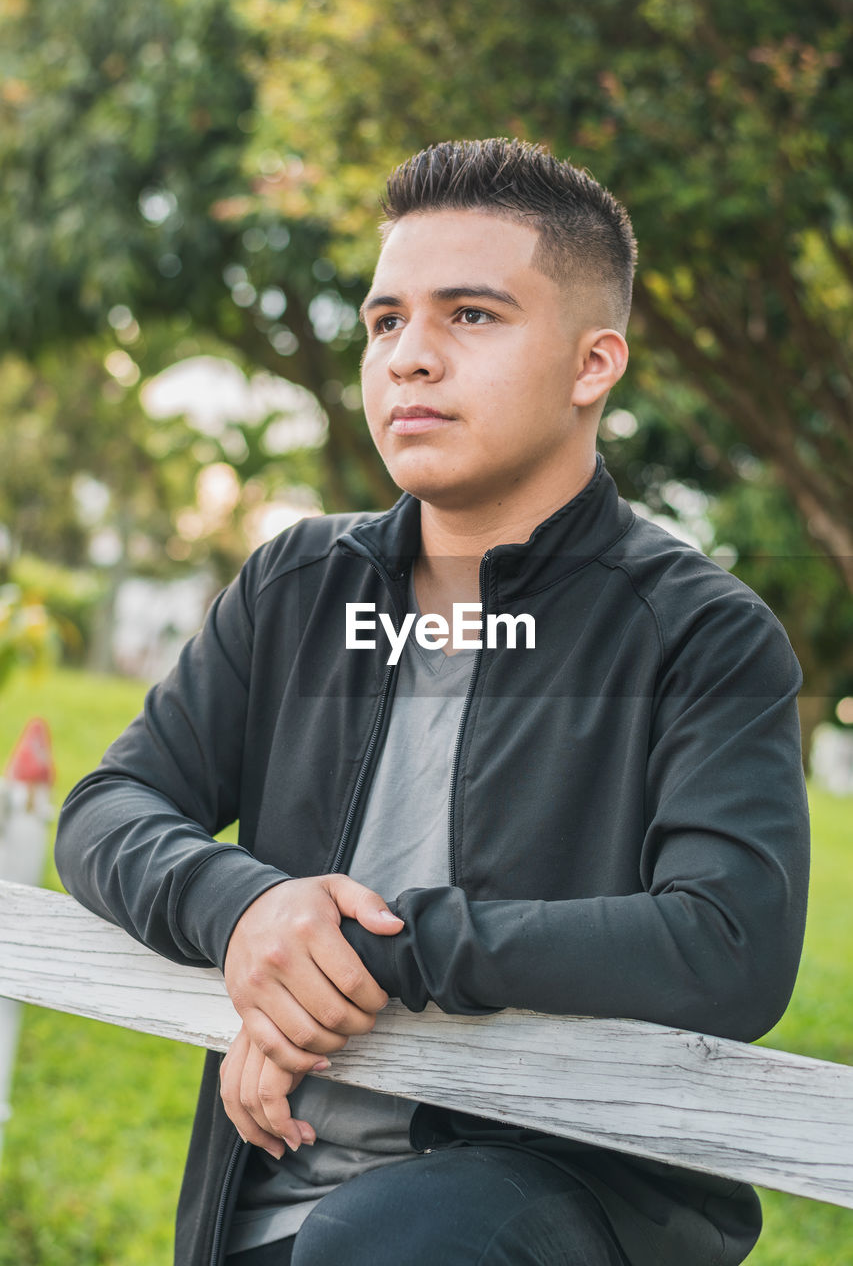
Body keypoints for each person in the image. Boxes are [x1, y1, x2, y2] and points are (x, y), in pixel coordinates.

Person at [55, 138, 809, 1266]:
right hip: (267, 1196)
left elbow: (728, 941)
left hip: (558, 1190)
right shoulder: (295, 585)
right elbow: (107, 807)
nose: (408, 357)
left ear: (592, 363)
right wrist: (251, 913)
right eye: (384, 320)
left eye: (470, 316)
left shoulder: (699, 631)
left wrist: (369, 955)